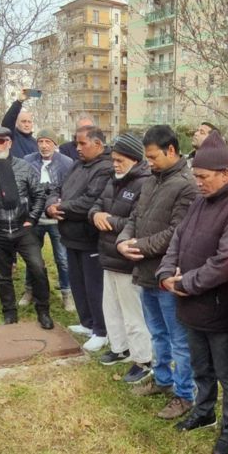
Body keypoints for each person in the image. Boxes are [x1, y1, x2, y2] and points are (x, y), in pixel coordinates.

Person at [156, 132, 228, 454]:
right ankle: (204, 411)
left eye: (203, 177)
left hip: (219, 307)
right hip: (191, 303)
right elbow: (178, 237)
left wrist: (185, 283)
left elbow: (226, 261)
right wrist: (165, 272)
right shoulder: (201, 200)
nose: (197, 182)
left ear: (225, 173)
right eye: (195, 176)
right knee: (201, 365)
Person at [117, 125, 199, 419]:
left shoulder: (187, 185)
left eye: (152, 157)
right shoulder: (151, 180)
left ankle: (184, 394)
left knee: (179, 339)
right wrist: (123, 240)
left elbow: (176, 232)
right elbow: (135, 217)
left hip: (168, 275)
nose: (148, 162)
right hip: (145, 271)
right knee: (157, 333)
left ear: (171, 150)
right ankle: (163, 379)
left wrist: (137, 245)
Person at [0, 127, 53, 328]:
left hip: (23, 228)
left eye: (1, 141)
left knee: (38, 268)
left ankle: (43, 310)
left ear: (9, 143)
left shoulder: (24, 167)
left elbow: (39, 195)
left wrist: (32, 218)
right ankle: (10, 313)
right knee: (2, 275)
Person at [88, 134, 153, 383]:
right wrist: (95, 216)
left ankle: (143, 359)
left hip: (128, 260)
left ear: (134, 159)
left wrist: (109, 221)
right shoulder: (112, 180)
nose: (114, 164)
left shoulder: (144, 184)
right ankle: (120, 348)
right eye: (113, 159)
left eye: (119, 160)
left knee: (133, 312)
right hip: (108, 255)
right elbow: (97, 205)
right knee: (111, 307)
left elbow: (138, 222)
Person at [46, 126, 113, 352]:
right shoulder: (77, 164)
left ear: (98, 144)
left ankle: (101, 331)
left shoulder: (105, 168)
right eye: (76, 143)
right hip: (70, 236)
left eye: (82, 143)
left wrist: (61, 207)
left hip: (90, 237)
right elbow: (56, 188)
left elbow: (89, 202)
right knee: (78, 283)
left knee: (95, 286)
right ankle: (87, 322)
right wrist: (50, 206)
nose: (77, 148)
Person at [21, 129, 75, 312]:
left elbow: (70, 189)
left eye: (48, 142)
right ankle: (29, 290)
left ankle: (67, 293)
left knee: (63, 258)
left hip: (57, 219)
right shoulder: (28, 161)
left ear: (54, 144)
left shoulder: (66, 163)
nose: (44, 146)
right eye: (41, 141)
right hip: (34, 218)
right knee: (32, 257)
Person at [0, 89, 38, 159]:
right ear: (16, 123)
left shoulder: (35, 142)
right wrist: (19, 102)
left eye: (29, 122)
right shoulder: (12, 136)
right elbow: (7, 121)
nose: (27, 125)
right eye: (23, 121)